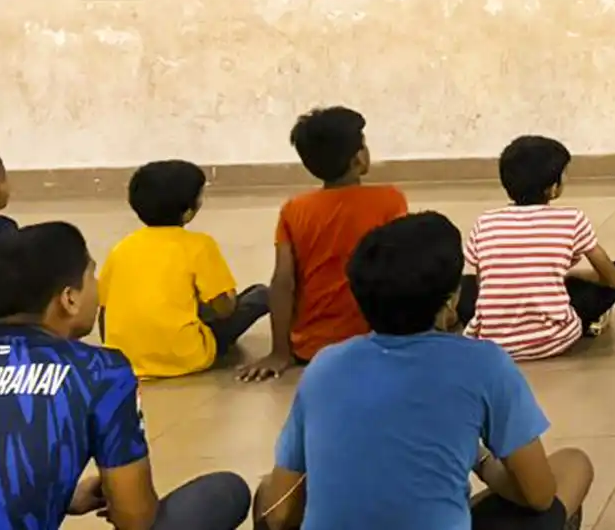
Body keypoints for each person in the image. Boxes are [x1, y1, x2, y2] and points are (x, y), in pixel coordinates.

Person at [252, 213, 594, 530]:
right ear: (449, 302)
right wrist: (481, 459)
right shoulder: (484, 364)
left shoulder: (323, 366)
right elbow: (538, 495)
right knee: (573, 466)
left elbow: (279, 511)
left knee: (268, 487)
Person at [0, 222, 253, 530]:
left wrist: (61, 495)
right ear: (69, 298)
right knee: (224, 492)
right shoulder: (99, 371)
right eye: (91, 275)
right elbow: (135, 518)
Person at [240, 106, 410, 382]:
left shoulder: (294, 210)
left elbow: (283, 282)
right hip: (379, 342)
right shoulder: (390, 200)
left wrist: (279, 352)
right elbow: (401, 269)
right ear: (358, 159)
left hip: (311, 348)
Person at [458, 136, 615, 362]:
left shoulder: (485, 222)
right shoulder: (571, 219)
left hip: (492, 342)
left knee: (465, 284)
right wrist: (575, 276)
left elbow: (483, 287)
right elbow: (613, 280)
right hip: (553, 338)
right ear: (552, 188)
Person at [97, 159, 269, 379]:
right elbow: (224, 308)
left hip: (125, 360)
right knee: (261, 295)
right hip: (186, 356)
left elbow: (104, 309)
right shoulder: (199, 245)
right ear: (188, 213)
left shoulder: (121, 248)